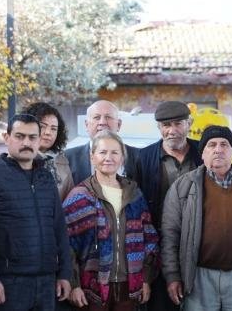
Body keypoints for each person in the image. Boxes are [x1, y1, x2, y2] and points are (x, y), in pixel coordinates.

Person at [0, 113, 73, 310]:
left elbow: (59, 229)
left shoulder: (46, 177)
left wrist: (65, 273)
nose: (26, 142)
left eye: (32, 137)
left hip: (47, 282)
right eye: (19, 136)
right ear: (7, 138)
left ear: (39, 140)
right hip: (7, 284)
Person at [161, 125, 232, 310]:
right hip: (198, 277)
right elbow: (170, 235)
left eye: (224, 144)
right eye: (211, 145)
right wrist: (172, 275)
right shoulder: (183, 187)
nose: (218, 149)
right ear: (203, 153)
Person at [63, 130, 160, 310]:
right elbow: (65, 245)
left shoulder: (134, 194)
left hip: (130, 286)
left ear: (122, 157)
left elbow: (150, 238)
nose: (109, 157)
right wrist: (74, 285)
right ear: (92, 157)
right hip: (91, 287)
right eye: (102, 152)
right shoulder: (79, 196)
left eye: (115, 152)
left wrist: (146, 278)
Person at [130, 101, 202, 311]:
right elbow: (137, 208)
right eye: (165, 125)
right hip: (159, 250)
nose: (172, 131)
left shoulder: (203, 152)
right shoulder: (143, 158)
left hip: (200, 249)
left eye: (178, 123)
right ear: (159, 128)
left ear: (189, 123)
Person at [65, 100, 140, 185]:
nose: (102, 122)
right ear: (86, 125)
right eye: (97, 117)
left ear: (119, 124)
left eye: (108, 117)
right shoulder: (67, 158)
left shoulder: (139, 157)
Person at [22, 102, 74, 199]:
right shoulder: (19, 159)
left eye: (53, 129)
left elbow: (70, 200)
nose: (48, 132)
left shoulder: (62, 160)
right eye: (42, 126)